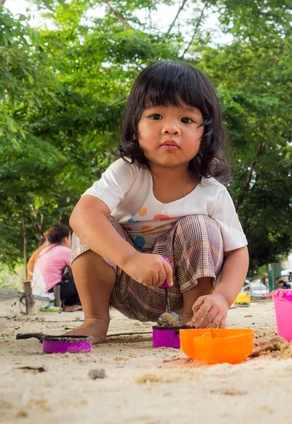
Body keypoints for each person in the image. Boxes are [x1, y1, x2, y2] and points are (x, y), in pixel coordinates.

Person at [67, 61, 249, 342]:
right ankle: (95, 319)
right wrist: (131, 259)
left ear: (205, 133)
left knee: (200, 226)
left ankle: (194, 321)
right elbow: (81, 215)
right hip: (125, 281)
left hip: (180, 291)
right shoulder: (126, 172)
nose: (170, 129)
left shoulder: (212, 192)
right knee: (90, 220)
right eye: (155, 116)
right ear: (135, 125)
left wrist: (223, 298)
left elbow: (238, 251)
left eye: (186, 120)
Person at [32, 224, 81, 311]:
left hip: (41, 290)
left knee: (69, 276)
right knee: (82, 277)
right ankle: (74, 305)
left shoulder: (45, 250)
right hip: (53, 291)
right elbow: (81, 267)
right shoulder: (64, 250)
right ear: (66, 239)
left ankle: (69, 304)